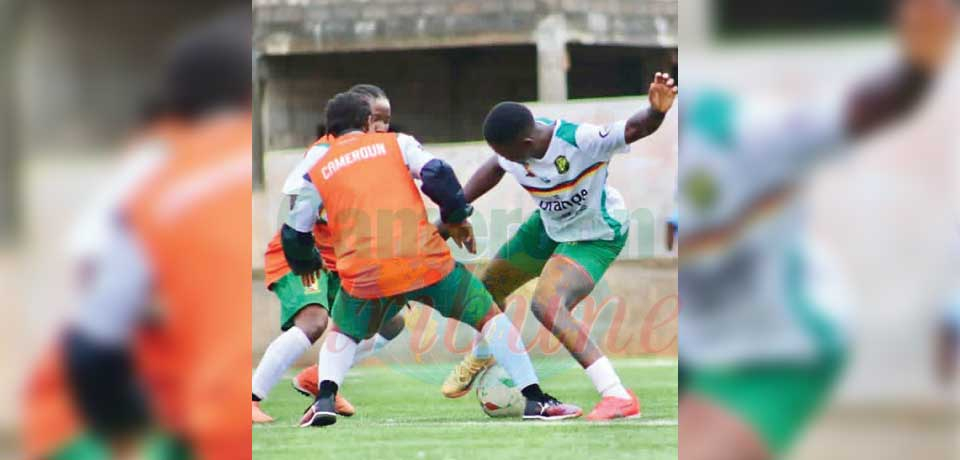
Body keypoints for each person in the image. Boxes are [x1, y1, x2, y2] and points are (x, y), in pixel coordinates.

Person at [678, 1, 956, 458]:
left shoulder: (738, 131)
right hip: (715, 354)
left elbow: (861, 111)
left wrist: (918, 66)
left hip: (788, 350)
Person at [22, 10, 254, 459]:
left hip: (160, 411)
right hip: (144, 413)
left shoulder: (159, 167)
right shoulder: (159, 164)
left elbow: (94, 323)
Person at [283, 92, 582, 427]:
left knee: (343, 332)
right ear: (368, 123)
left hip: (364, 270)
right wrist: (455, 217)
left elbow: (294, 233)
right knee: (489, 316)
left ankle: (324, 398)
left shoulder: (315, 168)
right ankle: (535, 399)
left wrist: (305, 266)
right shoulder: (397, 143)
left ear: (330, 130)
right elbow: (438, 173)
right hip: (424, 259)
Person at [437, 72, 678, 421]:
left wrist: (656, 111)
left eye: (508, 154)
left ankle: (617, 395)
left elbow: (634, 128)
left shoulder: (579, 140)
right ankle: (484, 352)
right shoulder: (511, 150)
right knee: (488, 288)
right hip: (549, 226)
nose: (505, 160)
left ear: (525, 143)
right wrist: (449, 217)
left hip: (596, 233)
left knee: (547, 304)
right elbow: (493, 167)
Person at [253, 84, 404, 423]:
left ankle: (318, 377)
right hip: (302, 255)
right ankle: (249, 397)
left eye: (387, 121)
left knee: (390, 321)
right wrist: (307, 248)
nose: (383, 128)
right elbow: (296, 197)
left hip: (340, 258)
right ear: (359, 119)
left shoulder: (377, 154)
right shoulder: (326, 151)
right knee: (315, 320)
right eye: (377, 120)